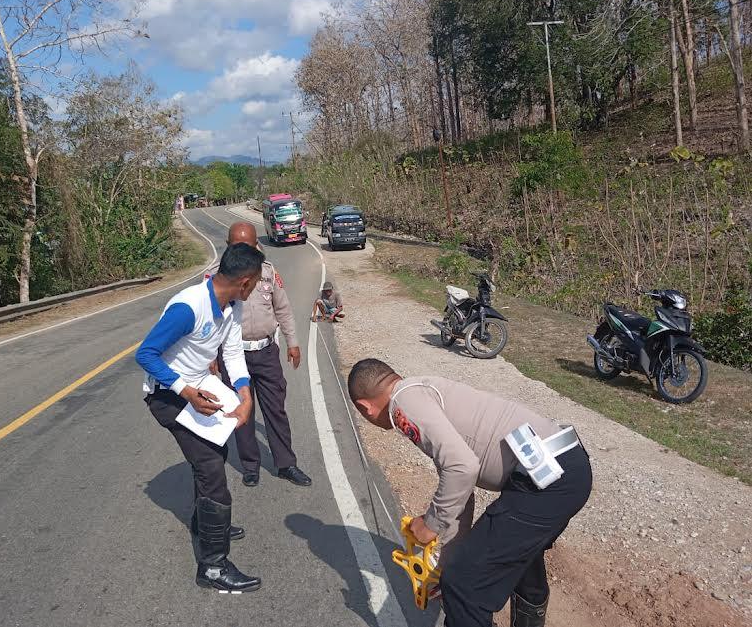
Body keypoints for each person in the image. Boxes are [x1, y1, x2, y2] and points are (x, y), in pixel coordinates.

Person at [347, 359, 592, 627]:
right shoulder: (418, 389)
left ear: (364, 407)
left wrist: (431, 525)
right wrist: (446, 563)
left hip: (548, 480)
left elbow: (462, 468)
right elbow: (459, 486)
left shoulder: (401, 405)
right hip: (562, 467)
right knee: (512, 553)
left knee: (464, 586)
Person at [135, 243, 265, 593]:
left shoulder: (232, 306)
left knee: (218, 450)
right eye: (255, 284)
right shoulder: (188, 307)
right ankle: (212, 566)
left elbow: (233, 352)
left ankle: (203, 521)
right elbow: (145, 354)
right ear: (246, 281)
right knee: (210, 465)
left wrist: (244, 392)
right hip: (167, 393)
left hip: (199, 384)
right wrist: (185, 392)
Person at [205, 222, 311, 488]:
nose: (243, 252)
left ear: (256, 247)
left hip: (265, 352)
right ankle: (250, 466)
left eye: (249, 247)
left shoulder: (267, 273)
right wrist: (210, 355)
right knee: (242, 411)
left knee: (275, 409)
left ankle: (286, 464)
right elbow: (207, 321)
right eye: (237, 247)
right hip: (233, 356)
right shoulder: (214, 278)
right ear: (228, 247)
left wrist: (293, 342)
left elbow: (283, 309)